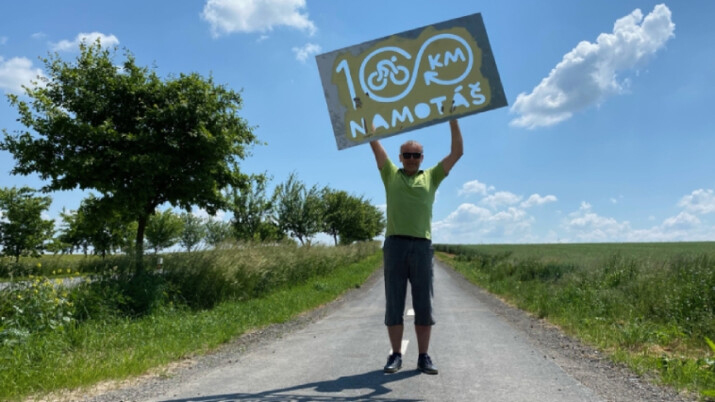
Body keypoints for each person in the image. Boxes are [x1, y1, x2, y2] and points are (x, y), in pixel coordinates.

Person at [369, 119, 463, 375]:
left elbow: (457, 153)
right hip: (395, 245)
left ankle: (423, 356)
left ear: (422, 158)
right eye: (407, 155)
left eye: (416, 155)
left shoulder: (432, 177)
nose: (411, 159)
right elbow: (373, 141)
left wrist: (453, 119)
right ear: (400, 157)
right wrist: (365, 115)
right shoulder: (389, 174)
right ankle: (396, 355)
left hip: (422, 246)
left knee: (423, 303)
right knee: (394, 302)